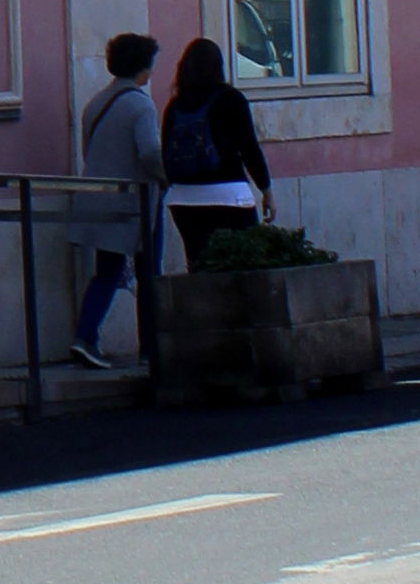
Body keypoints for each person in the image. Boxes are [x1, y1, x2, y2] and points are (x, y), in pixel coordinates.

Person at [71, 32, 166, 369]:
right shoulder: (141, 104)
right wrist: (163, 176)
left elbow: (88, 150)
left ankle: (86, 335)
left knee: (107, 272)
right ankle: (151, 346)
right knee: (150, 273)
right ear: (143, 68)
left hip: (99, 199)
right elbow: (151, 152)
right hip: (137, 203)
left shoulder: (96, 103)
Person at [158, 35, 275, 261]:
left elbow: (166, 153)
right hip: (229, 194)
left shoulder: (175, 106)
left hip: (183, 199)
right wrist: (266, 190)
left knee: (199, 267)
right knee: (244, 269)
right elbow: (249, 149)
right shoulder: (231, 99)